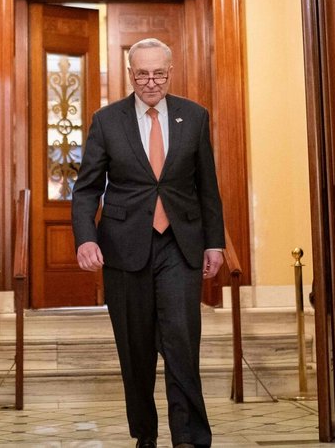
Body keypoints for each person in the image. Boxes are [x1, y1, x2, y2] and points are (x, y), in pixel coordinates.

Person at [71, 38, 225, 448]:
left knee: (180, 341)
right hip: (124, 248)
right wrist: (86, 238)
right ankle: (145, 433)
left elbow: (207, 186)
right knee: (135, 349)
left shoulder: (194, 117)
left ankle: (189, 437)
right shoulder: (106, 121)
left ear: (170, 72)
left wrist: (215, 242)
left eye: (158, 73)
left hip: (181, 244)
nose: (151, 81)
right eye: (142, 73)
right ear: (130, 74)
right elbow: (86, 189)